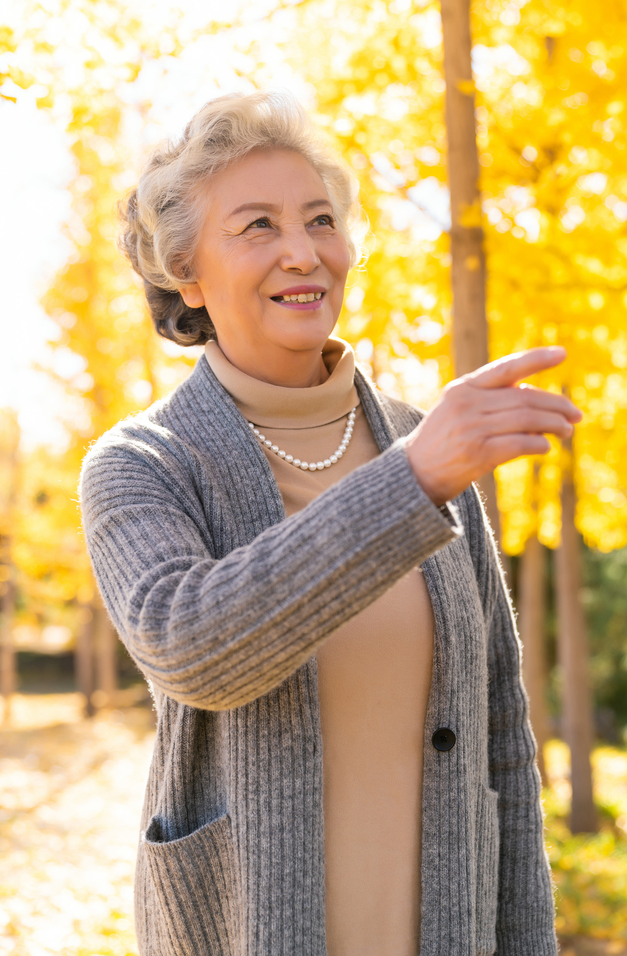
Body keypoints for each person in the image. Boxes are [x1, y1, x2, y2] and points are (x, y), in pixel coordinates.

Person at [79, 89, 580, 956]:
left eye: (319, 220)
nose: (303, 253)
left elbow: (501, 731)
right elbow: (192, 648)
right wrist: (410, 482)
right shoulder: (141, 463)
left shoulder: (427, 441)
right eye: (258, 227)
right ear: (185, 273)